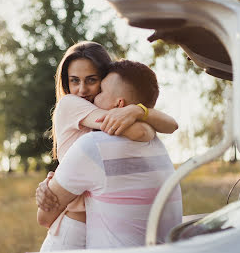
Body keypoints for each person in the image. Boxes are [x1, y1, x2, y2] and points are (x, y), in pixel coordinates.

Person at [37, 41, 178, 251]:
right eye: (74, 81)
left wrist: (139, 111)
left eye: (92, 81)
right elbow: (141, 132)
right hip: (74, 228)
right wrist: (138, 114)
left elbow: (172, 125)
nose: (81, 90)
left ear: (104, 79)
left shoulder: (103, 126)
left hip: (97, 225)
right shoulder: (70, 104)